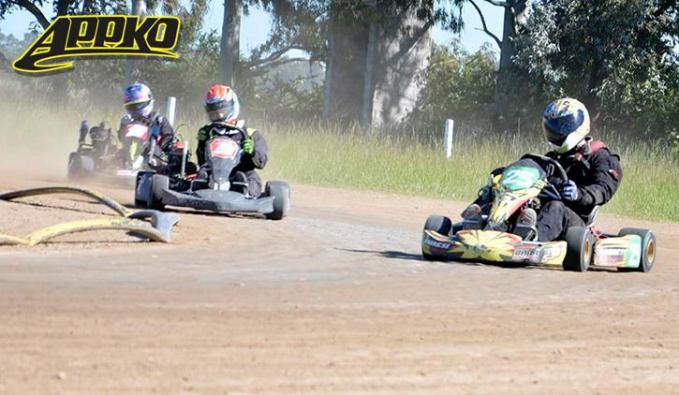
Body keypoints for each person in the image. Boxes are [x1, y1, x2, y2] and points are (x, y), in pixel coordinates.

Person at [462, 97, 623, 242]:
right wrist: (505, 176)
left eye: (563, 125)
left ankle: (531, 239)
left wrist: (578, 194)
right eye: (553, 126)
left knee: (556, 207)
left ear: (579, 125)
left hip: (574, 220)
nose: (556, 131)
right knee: (506, 196)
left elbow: (603, 189)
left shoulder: (601, 157)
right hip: (538, 210)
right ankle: (479, 225)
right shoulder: (550, 158)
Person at [195, 84, 269, 197]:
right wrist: (201, 143)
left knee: (250, 180)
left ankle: (242, 192)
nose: (219, 115)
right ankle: (202, 189)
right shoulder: (208, 131)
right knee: (201, 174)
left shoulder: (250, 133)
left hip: (240, 171)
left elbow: (261, 162)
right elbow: (201, 162)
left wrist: (252, 152)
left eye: (222, 110)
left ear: (233, 106)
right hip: (212, 173)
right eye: (214, 112)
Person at [118, 82, 176, 167]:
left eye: (138, 106)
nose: (135, 109)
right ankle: (123, 165)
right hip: (128, 150)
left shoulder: (158, 120)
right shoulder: (128, 120)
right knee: (117, 154)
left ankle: (149, 164)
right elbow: (121, 137)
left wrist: (160, 142)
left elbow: (168, 136)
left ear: (148, 101)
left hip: (153, 152)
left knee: (153, 153)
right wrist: (124, 126)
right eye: (131, 107)